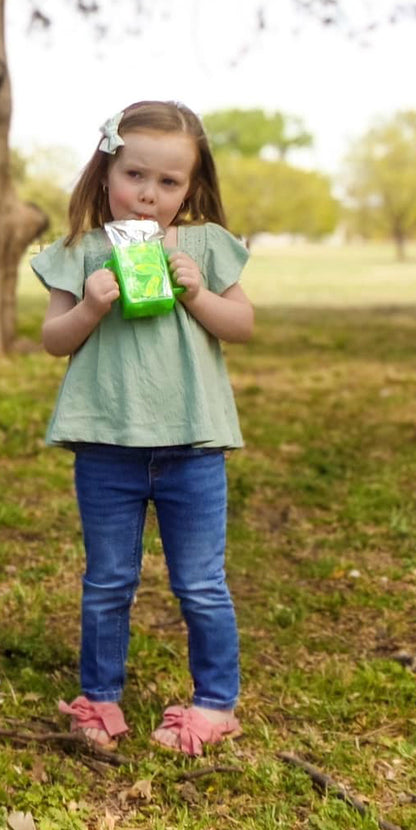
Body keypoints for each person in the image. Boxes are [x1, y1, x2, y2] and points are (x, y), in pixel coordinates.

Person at [32, 100, 254, 756]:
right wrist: (89, 308)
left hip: (192, 447)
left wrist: (198, 294)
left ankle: (215, 705)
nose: (149, 194)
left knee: (201, 583)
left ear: (189, 187)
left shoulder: (205, 246)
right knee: (107, 580)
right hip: (107, 446)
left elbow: (242, 326)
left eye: (168, 181)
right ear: (105, 172)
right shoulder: (80, 253)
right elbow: (53, 339)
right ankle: (99, 698)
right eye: (134, 174)